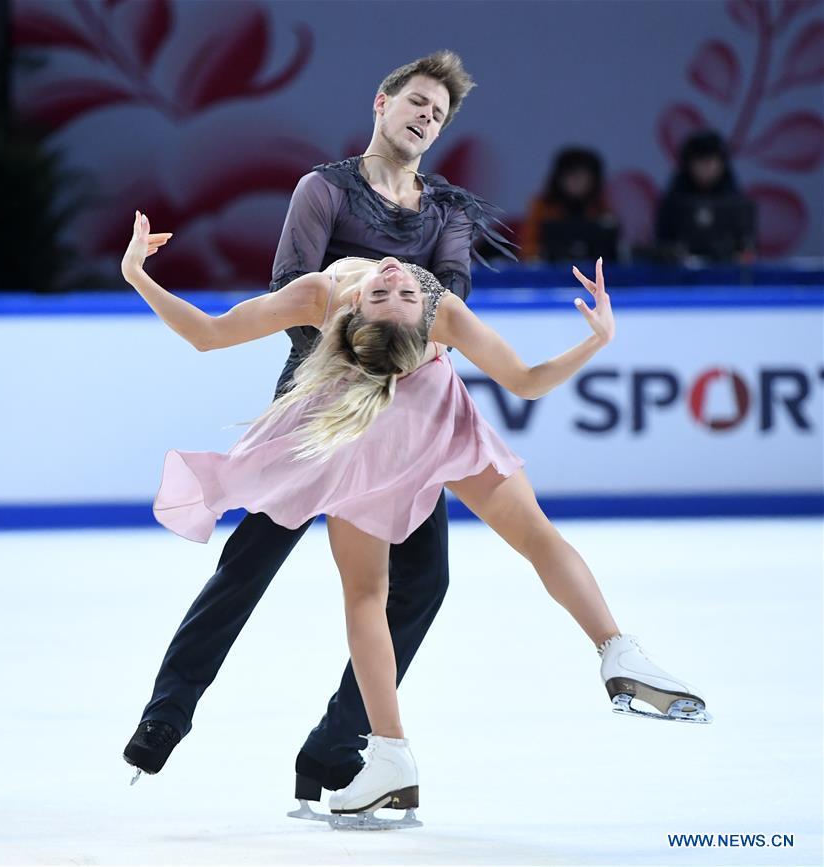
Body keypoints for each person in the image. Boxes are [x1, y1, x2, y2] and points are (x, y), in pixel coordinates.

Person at [121, 215, 712, 819]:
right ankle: (616, 651)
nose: (397, 278)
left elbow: (208, 335)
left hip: (372, 432)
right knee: (523, 537)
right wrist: (597, 341)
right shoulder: (436, 306)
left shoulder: (324, 296)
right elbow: (528, 383)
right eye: (393, 291)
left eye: (396, 292)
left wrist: (137, 274)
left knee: (368, 594)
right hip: (412, 415)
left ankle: (392, 757)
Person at [121, 51, 515, 804]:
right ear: (381, 102)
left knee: (423, 580)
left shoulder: (449, 213)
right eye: (417, 102)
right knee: (250, 562)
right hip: (316, 404)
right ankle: (167, 713)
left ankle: (335, 746)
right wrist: (350, 373)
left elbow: (451, 309)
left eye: (439, 113)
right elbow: (292, 293)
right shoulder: (324, 189)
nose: (426, 117)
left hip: (408, 423)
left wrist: (393, 357)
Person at [654, 130, 756, 263]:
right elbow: (662, 243)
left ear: (722, 164)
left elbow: (747, 247)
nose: (706, 168)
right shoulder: (673, 202)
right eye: (700, 161)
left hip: (727, 277)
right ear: (688, 164)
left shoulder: (736, 201)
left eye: (710, 161)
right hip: (680, 278)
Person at [518, 146, 620, 263]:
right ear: (559, 178)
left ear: (594, 180)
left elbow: (614, 250)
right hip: (551, 274)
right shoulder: (542, 206)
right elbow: (527, 247)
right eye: (571, 176)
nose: (577, 182)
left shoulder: (602, 207)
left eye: (583, 176)